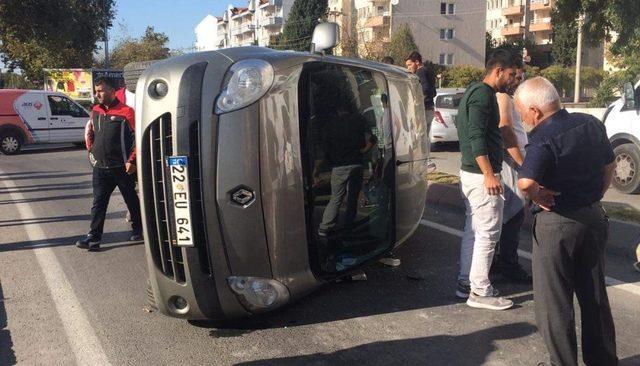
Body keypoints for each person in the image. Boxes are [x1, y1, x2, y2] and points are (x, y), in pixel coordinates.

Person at [515, 77, 618, 366]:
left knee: (555, 303)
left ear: (535, 111)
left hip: (556, 224)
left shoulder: (542, 137)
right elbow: (609, 164)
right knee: (594, 295)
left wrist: (538, 195)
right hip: (593, 217)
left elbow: (525, 182)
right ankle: (604, 361)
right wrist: (597, 193)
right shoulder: (591, 124)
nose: (522, 118)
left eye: (522, 112)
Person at [455, 49, 517, 310]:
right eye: (511, 75)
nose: (513, 80)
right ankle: (480, 291)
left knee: (475, 230)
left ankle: (466, 283)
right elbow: (476, 136)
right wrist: (490, 174)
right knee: (488, 233)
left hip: (473, 174)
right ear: (498, 71)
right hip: (482, 176)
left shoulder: (477, 92)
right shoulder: (482, 95)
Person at [76, 76, 142, 250]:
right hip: (100, 168)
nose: (97, 94)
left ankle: (139, 228)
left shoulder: (127, 111)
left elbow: (137, 138)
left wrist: (132, 160)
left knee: (131, 200)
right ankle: (94, 237)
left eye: (101, 91)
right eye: (96, 91)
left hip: (122, 167)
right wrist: (91, 151)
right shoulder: (96, 110)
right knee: (98, 202)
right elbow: (90, 132)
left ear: (112, 91)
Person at [492, 62, 532, 283]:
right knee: (512, 215)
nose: (518, 82)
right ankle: (507, 263)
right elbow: (505, 130)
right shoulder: (503, 98)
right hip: (510, 163)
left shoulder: (505, 98)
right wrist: (522, 164)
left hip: (510, 163)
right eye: (515, 77)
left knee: (508, 215)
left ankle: (500, 261)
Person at [405, 51, 437, 134]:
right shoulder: (428, 71)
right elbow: (433, 92)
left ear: (417, 62)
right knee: (425, 137)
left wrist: (417, 104)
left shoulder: (420, 72)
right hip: (430, 109)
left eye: (409, 65)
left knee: (419, 137)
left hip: (423, 110)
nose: (408, 68)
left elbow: (424, 89)